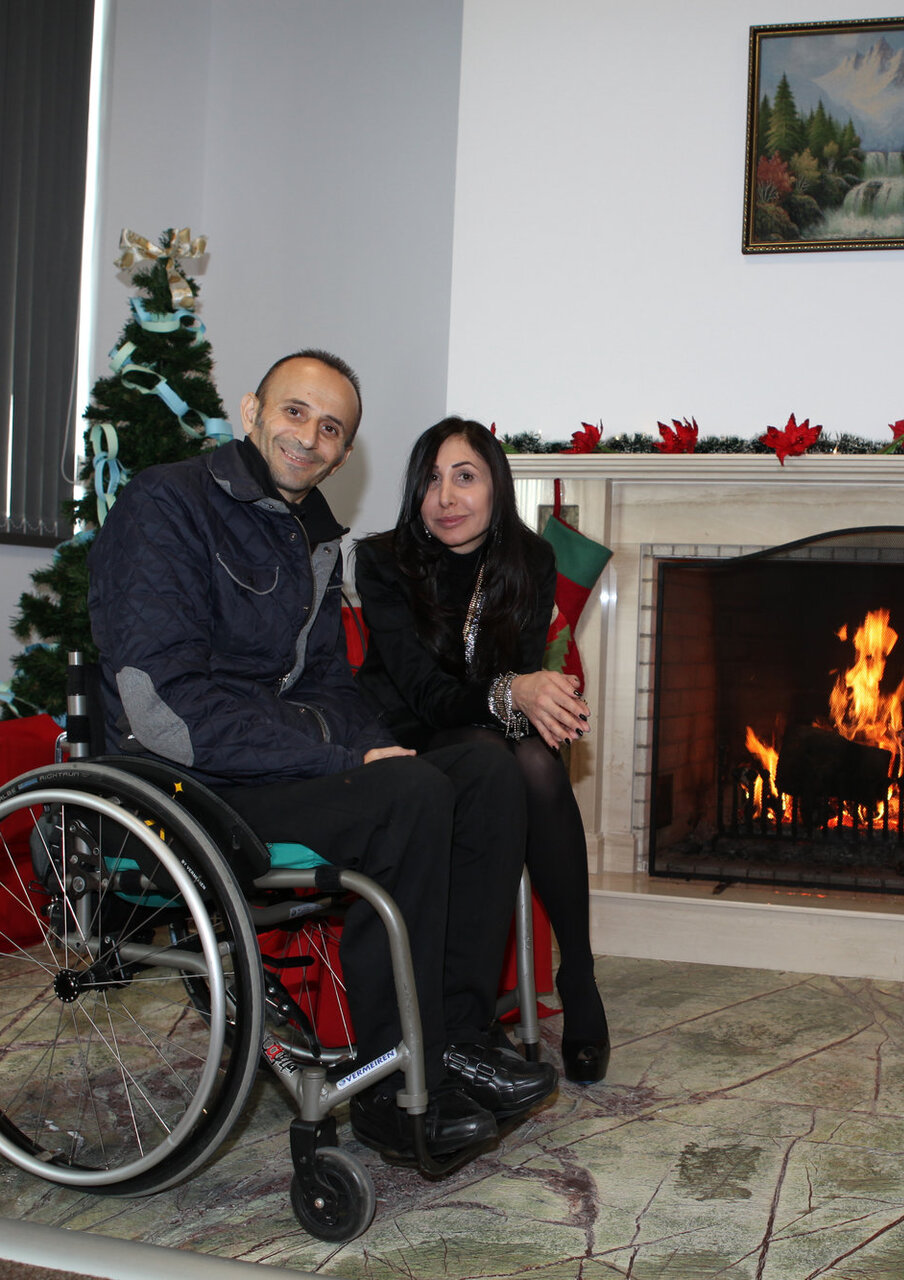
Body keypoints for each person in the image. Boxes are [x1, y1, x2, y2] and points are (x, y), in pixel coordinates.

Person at [87, 351, 557, 1165]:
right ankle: (391, 1089)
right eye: (295, 412)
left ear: (344, 454)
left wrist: (369, 742)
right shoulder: (167, 503)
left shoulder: (314, 534)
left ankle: (453, 1038)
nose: (309, 437)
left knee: (484, 772)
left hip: (276, 773)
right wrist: (337, 755)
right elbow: (161, 705)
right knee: (407, 794)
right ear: (252, 411)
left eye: (331, 428)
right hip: (186, 787)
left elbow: (333, 685)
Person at [353, 417, 610, 1084]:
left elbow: (513, 687)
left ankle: (578, 974)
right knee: (497, 754)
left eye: (464, 477)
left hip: (488, 738)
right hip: (404, 739)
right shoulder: (382, 562)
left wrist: (533, 695)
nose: (445, 498)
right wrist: (514, 692)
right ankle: (478, 1013)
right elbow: (424, 695)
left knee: (533, 763)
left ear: (496, 485)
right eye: (431, 481)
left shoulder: (531, 561)